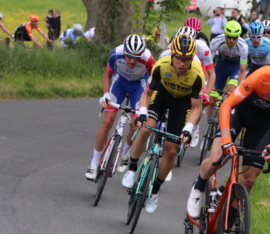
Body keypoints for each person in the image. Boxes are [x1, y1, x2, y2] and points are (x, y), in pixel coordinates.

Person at [186, 54, 270, 234]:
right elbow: (227, 105)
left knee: (249, 179)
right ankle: (199, 186)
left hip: (261, 126)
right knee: (218, 158)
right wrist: (227, 139)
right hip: (238, 113)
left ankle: (225, 231)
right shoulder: (261, 76)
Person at [121, 34, 204, 213]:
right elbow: (147, 94)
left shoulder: (197, 75)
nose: (182, 63)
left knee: (172, 149)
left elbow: (196, 108)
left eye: (187, 59)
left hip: (182, 104)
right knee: (144, 129)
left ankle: (155, 192)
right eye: (179, 58)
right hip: (162, 95)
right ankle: (132, 169)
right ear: (172, 55)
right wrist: (142, 113)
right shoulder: (161, 66)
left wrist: (189, 129)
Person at [85, 35, 156, 181]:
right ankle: (93, 164)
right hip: (120, 83)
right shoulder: (115, 53)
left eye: (136, 58)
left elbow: (152, 85)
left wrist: (145, 107)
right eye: (129, 57)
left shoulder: (149, 60)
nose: (132, 61)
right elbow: (108, 75)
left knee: (135, 125)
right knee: (107, 122)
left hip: (139, 86)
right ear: (124, 52)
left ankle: (124, 153)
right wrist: (105, 94)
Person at [160, 26, 216, 147]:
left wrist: (206, 93)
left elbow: (211, 74)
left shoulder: (202, 47)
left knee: (199, 103)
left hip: (197, 73)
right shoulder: (174, 45)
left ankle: (194, 127)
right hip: (176, 73)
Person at [207, 21, 248, 120]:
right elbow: (208, 64)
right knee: (212, 100)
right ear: (225, 35)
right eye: (229, 37)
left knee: (230, 91)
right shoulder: (216, 41)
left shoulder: (243, 46)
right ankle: (209, 124)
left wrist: (239, 88)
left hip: (235, 68)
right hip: (221, 66)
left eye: (234, 38)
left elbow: (243, 70)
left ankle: (225, 120)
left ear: (238, 37)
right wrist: (206, 82)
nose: (231, 40)